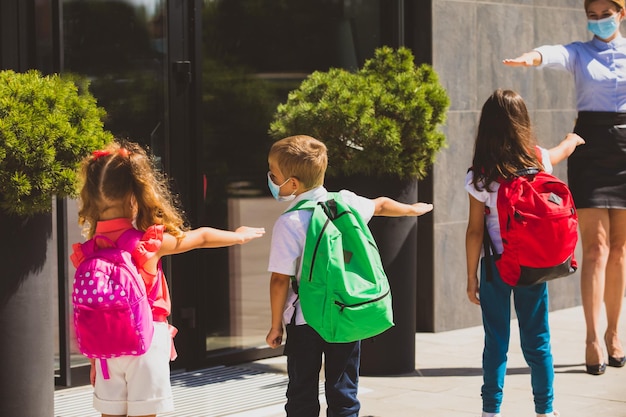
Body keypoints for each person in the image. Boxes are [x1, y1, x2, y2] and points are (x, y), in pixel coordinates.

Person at [70, 140, 265, 417]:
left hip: (106, 349)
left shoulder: (87, 252)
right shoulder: (146, 245)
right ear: (134, 196)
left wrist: (94, 358)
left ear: (91, 197)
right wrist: (239, 235)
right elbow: (201, 237)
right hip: (146, 340)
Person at [264, 135, 433, 417]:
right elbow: (379, 204)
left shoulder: (290, 222)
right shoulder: (346, 201)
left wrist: (275, 326)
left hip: (306, 320)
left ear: (292, 184)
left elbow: (280, 280)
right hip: (346, 312)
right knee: (344, 391)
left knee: (301, 393)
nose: (270, 177)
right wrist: (411, 209)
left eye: (274, 174)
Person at [502, 0, 626, 376]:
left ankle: (614, 332)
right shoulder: (580, 52)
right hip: (589, 146)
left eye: (606, 13)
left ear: (622, 13)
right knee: (595, 247)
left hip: (625, 148)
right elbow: (553, 53)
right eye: (592, 14)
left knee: (620, 249)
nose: (599, 20)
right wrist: (531, 57)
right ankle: (591, 338)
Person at [465, 89, 585, 417]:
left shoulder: (480, 175)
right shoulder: (537, 160)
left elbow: (475, 231)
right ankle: (545, 410)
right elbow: (562, 150)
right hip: (532, 264)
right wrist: (572, 138)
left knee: (496, 343)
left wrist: (470, 277)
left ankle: (491, 410)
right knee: (538, 341)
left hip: (496, 268)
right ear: (522, 123)